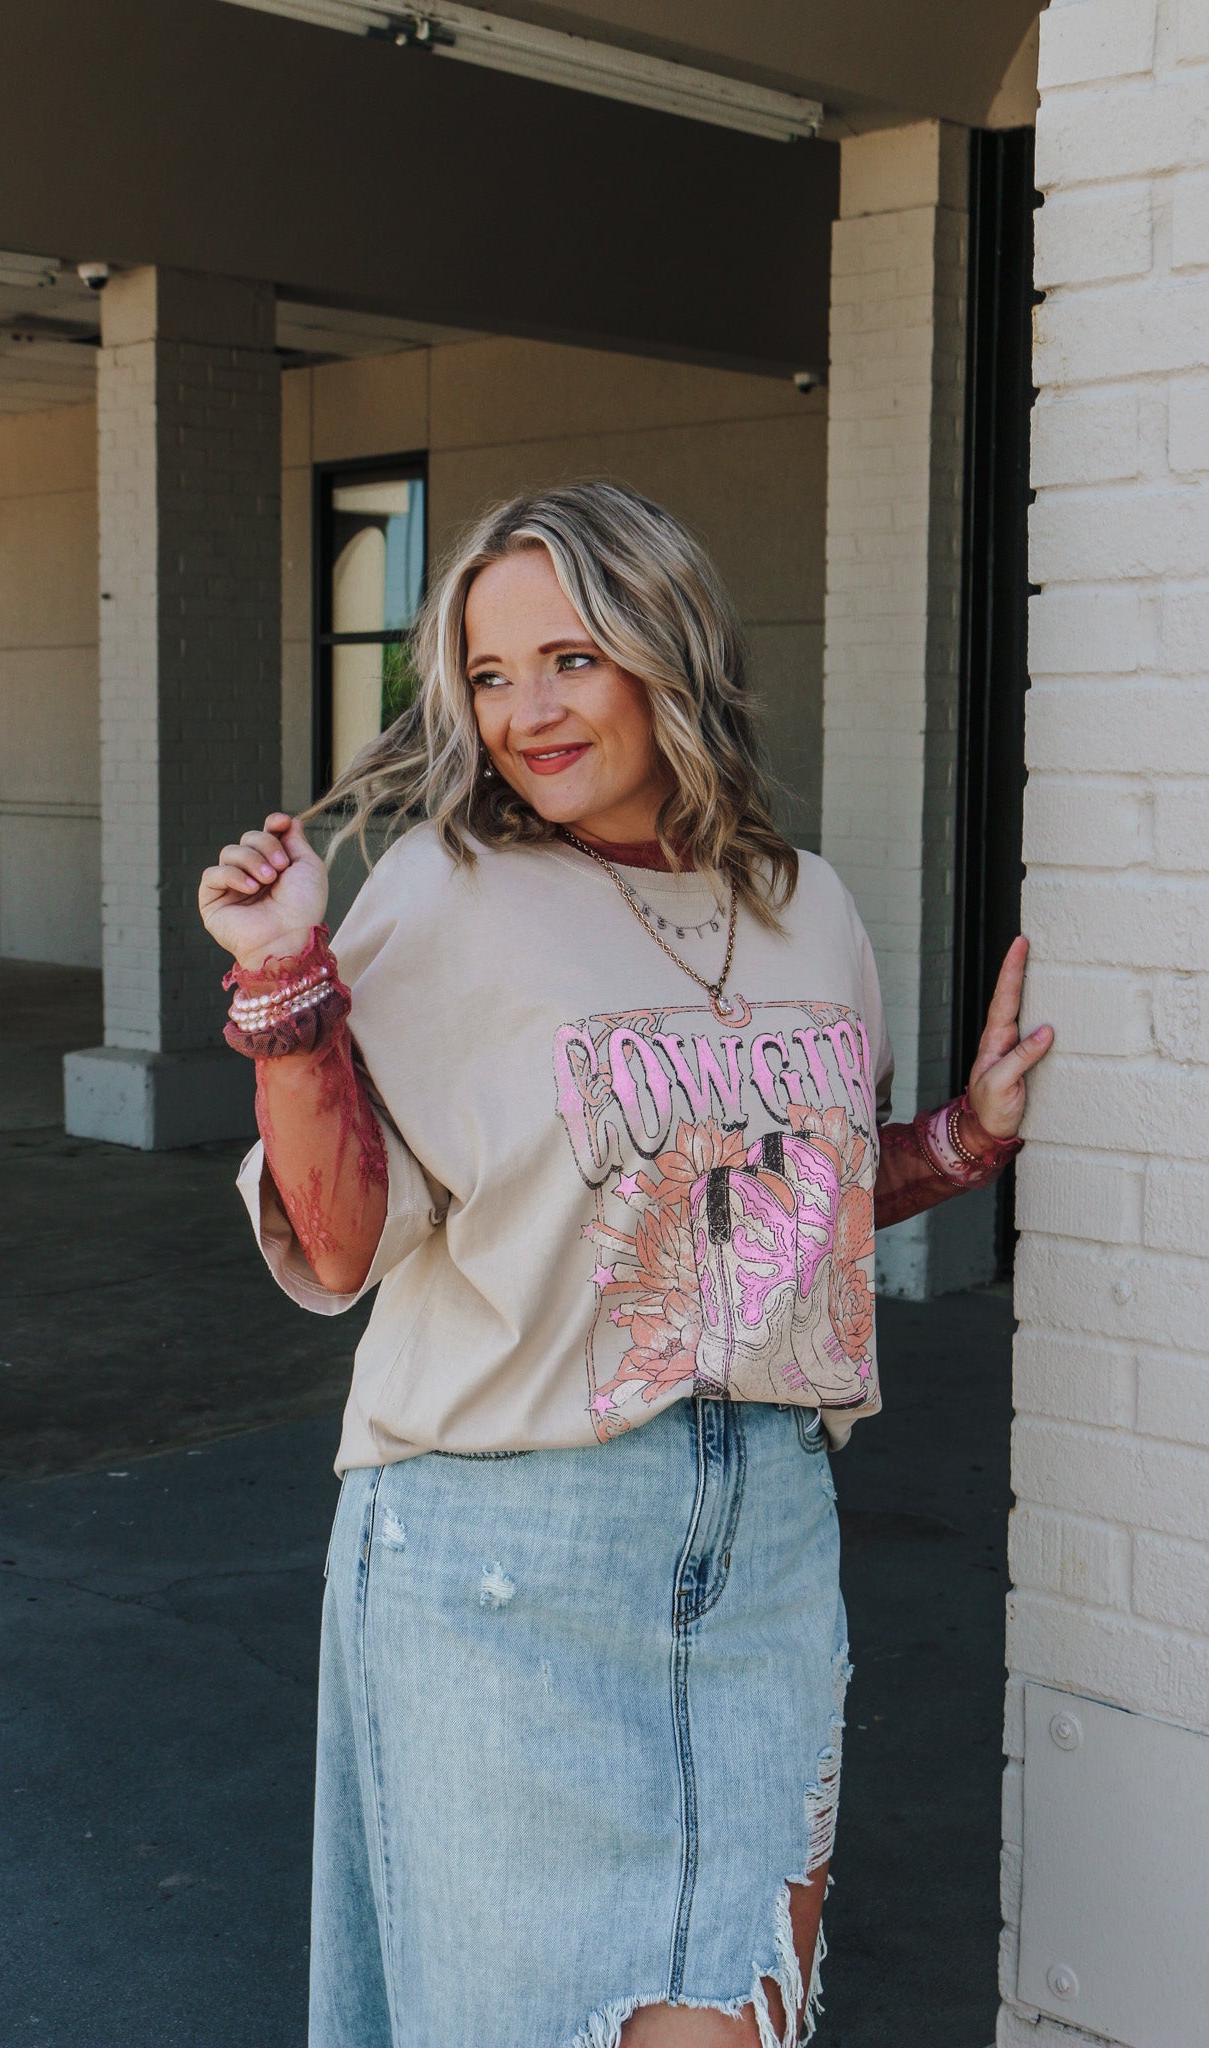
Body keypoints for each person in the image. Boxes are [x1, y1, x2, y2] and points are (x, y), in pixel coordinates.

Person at [198, 482, 1052, 2048]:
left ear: (667, 650)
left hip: (767, 1545)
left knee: (740, 2019)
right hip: (501, 1553)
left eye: (568, 658)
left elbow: (788, 1231)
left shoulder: (804, 908)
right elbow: (335, 1241)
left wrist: (959, 1141)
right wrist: (284, 980)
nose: (523, 711)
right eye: (485, 673)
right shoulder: (446, 894)